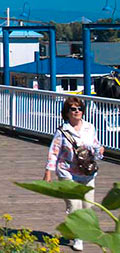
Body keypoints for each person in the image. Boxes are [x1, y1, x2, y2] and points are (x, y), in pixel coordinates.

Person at [44, 96, 104, 252]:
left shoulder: (90, 127)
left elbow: (96, 148)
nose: (77, 112)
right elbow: (54, 152)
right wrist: (48, 172)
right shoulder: (62, 131)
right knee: (74, 205)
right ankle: (78, 237)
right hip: (67, 172)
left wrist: (100, 151)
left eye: (79, 109)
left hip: (87, 173)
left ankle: (80, 231)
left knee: (88, 207)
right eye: (73, 109)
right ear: (67, 112)